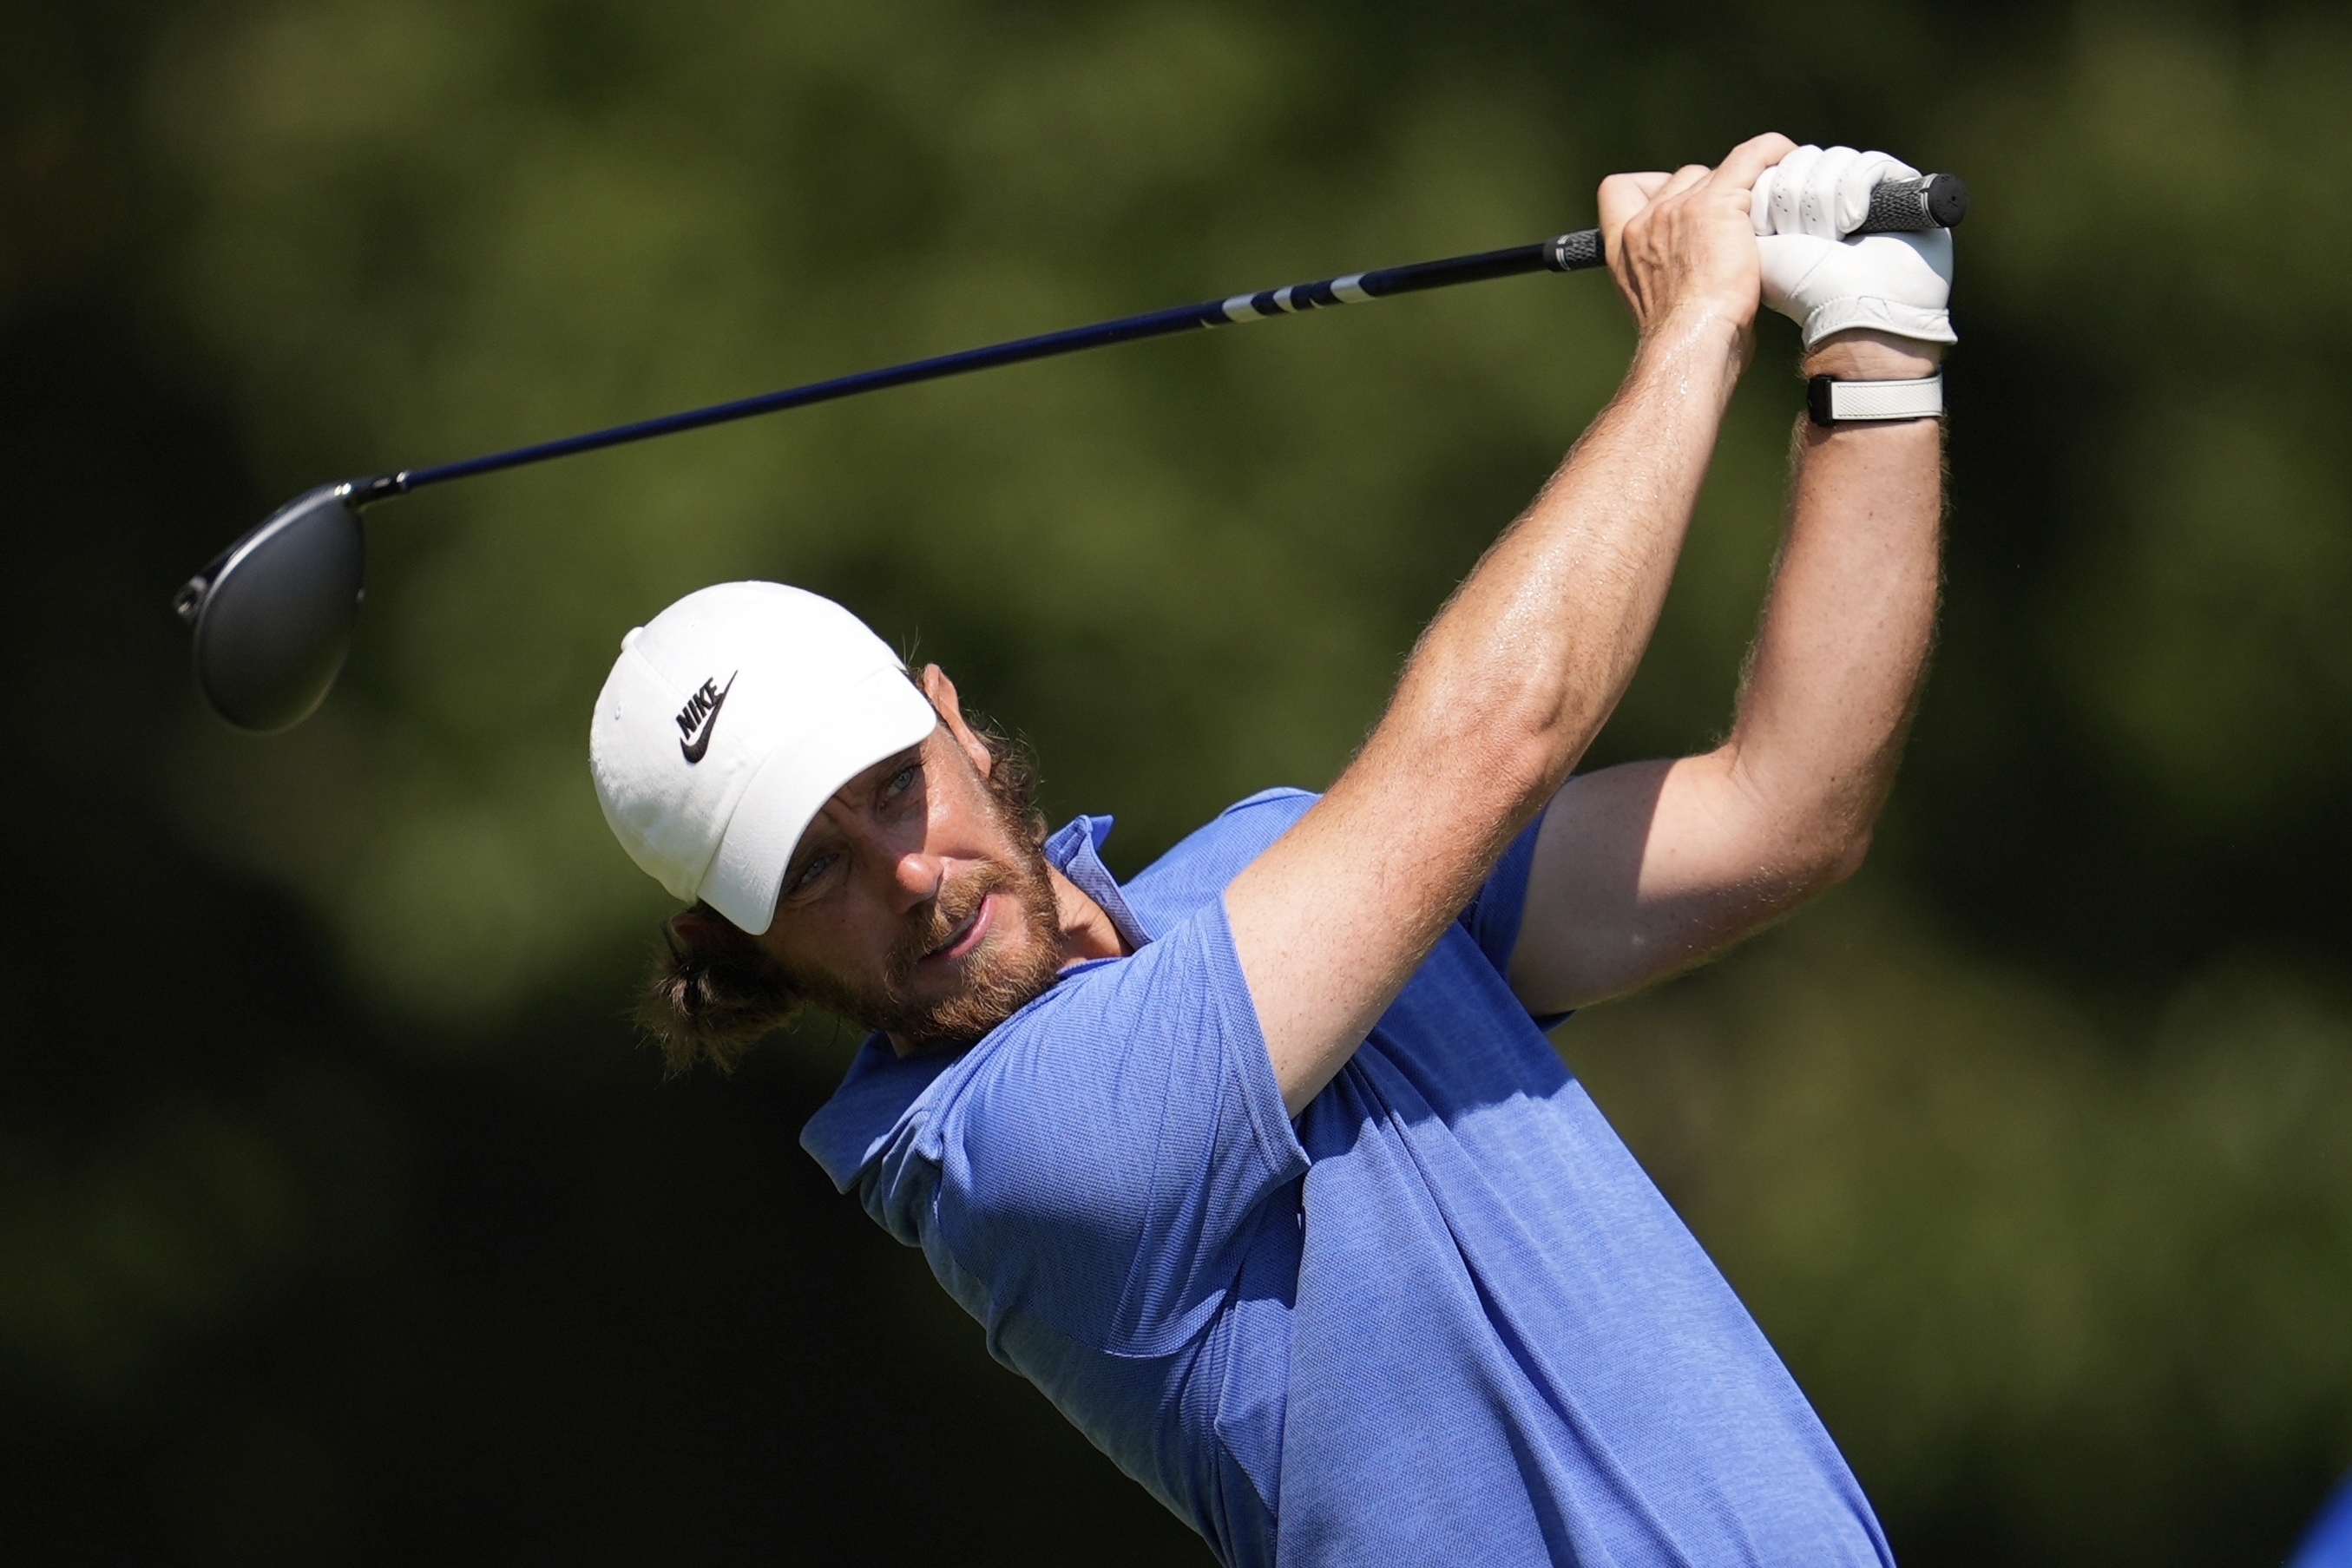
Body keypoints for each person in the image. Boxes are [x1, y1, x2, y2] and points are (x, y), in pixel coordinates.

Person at [587, 134, 1954, 1566]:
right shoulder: (1017, 1158)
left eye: (887, 787)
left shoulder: (1274, 868)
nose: (905, 875)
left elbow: (1780, 814)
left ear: (952, 724)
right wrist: (1691, 327)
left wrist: (1878, 349)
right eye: (811, 873)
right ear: (738, 956)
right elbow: (1492, 738)